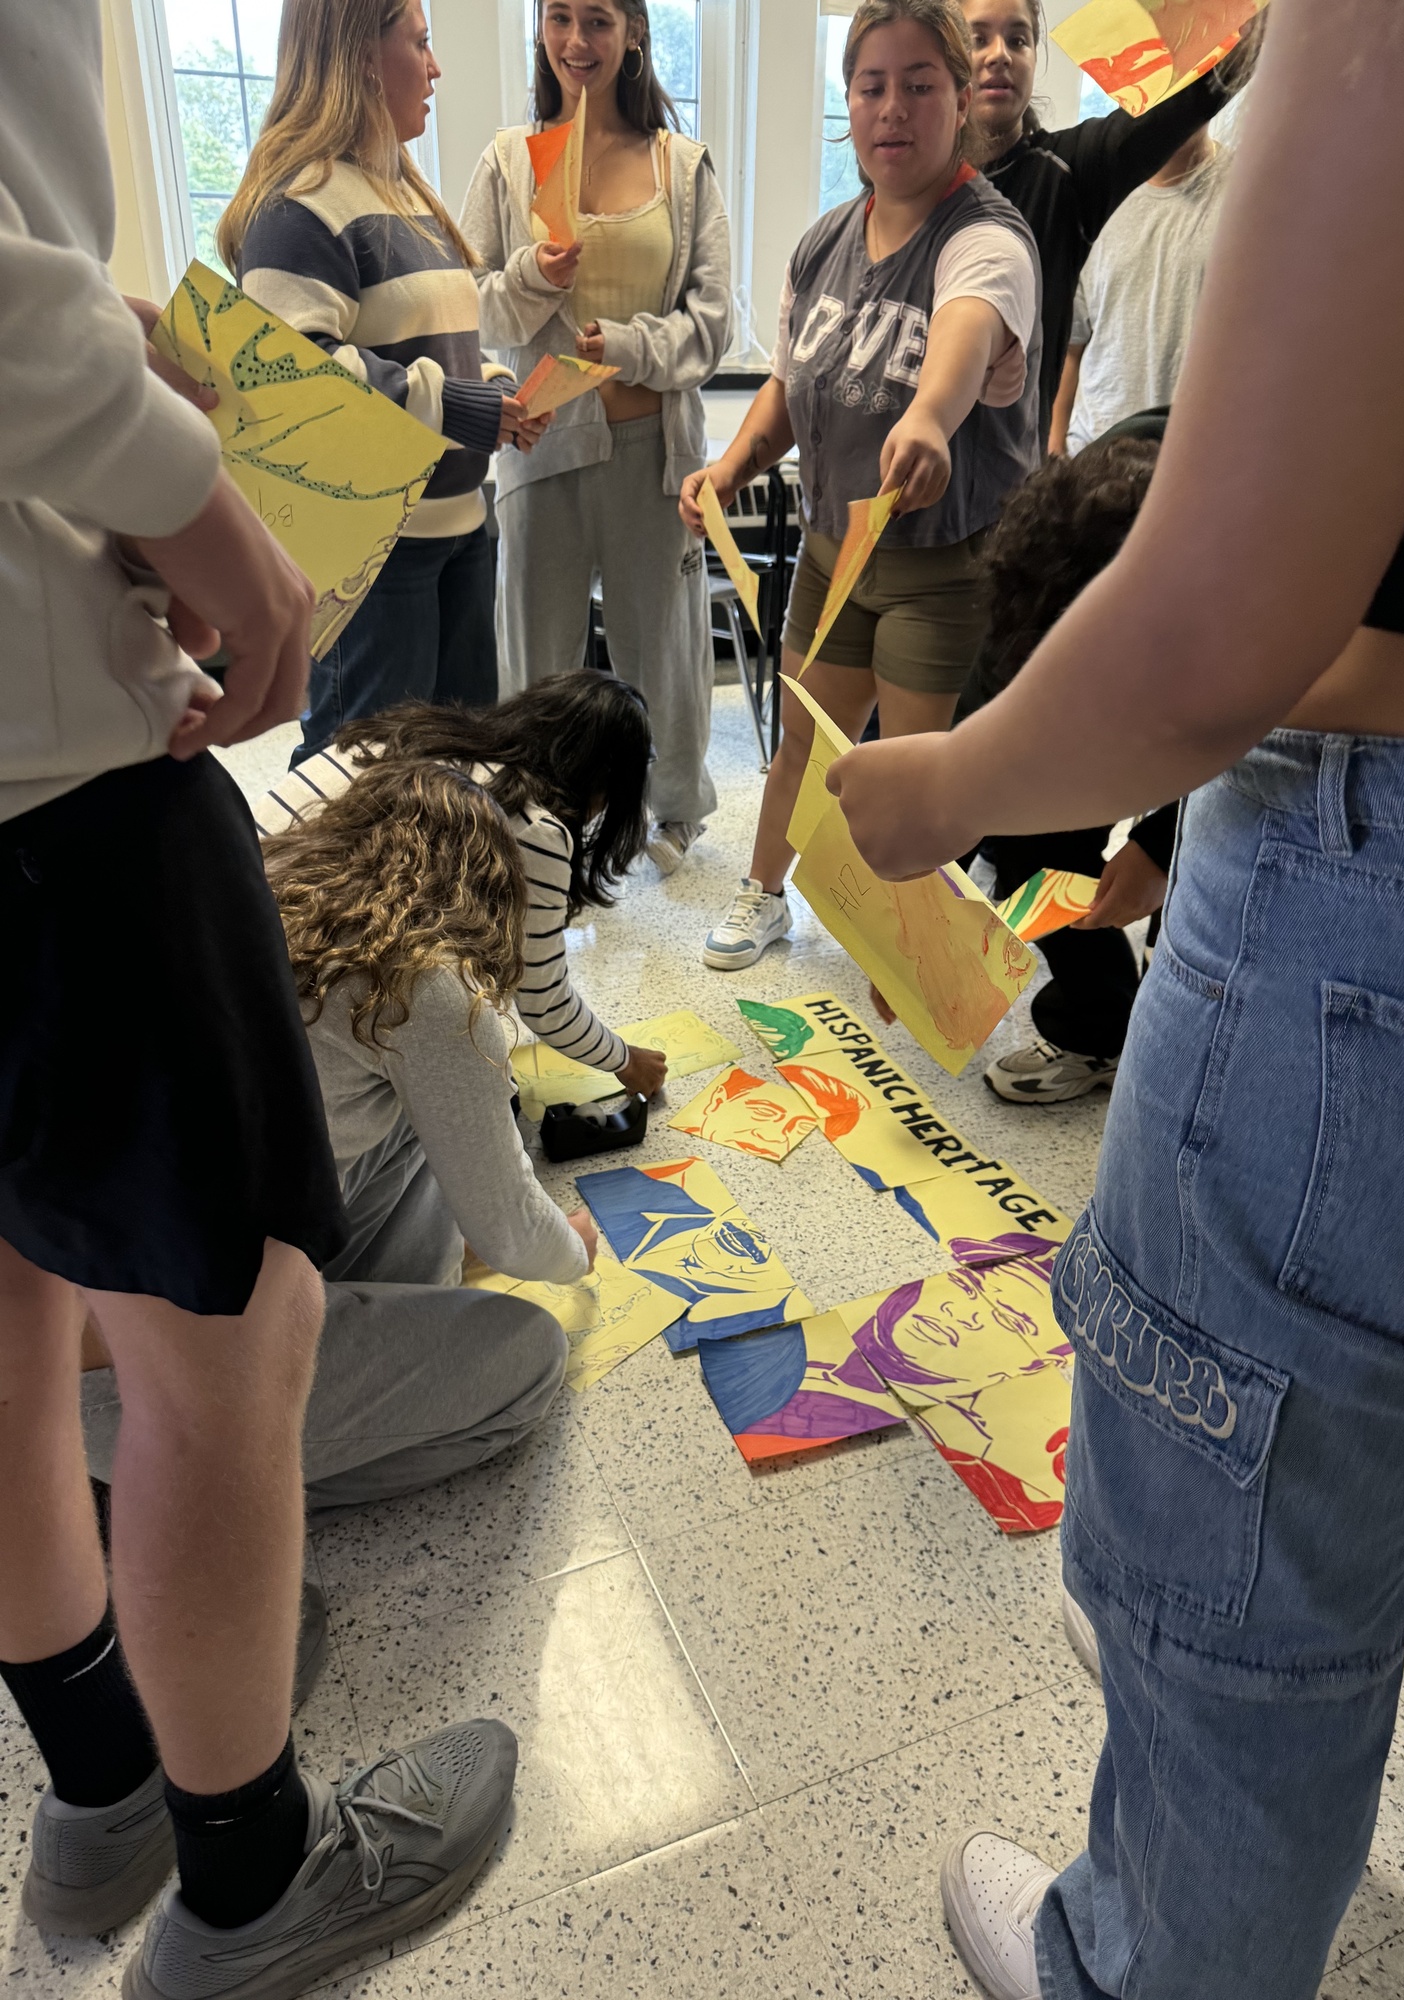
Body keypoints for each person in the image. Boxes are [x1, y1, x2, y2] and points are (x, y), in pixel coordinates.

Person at [826, 0, 1404, 1991]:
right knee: (1398, 1425)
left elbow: (1216, 626)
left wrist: (938, 788)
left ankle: (1157, 1938)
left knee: (1237, 1567)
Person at [0, 3, 517, 1993]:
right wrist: (187, 488)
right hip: (46, 749)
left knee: (20, 1294)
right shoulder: (326, 200)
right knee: (233, 1330)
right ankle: (247, 1875)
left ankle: (106, 1780)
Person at [82, 758, 598, 1520]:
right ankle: (188, 1502)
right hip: (148, 1387)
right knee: (529, 1359)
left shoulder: (263, 903)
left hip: (87, 1318)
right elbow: (518, 1236)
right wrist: (574, 1247)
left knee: (420, 1132)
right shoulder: (429, 983)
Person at [688, 0, 1041, 972]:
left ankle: (914, 951)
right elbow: (789, 381)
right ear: (848, 101)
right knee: (802, 733)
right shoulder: (825, 242)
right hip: (833, 553)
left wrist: (928, 419)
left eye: (919, 85)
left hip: (939, 560)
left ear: (961, 99)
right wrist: (731, 466)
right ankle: (764, 894)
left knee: (912, 770)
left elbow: (965, 337)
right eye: (872, 86)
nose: (893, 109)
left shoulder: (988, 238)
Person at [222, 0, 549, 765]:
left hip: (464, 526)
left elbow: (447, 340)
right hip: (374, 555)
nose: (435, 68)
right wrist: (464, 407)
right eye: (422, 43)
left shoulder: (408, 198)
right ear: (360, 55)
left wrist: (498, 389)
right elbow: (295, 383)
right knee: (362, 792)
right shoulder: (295, 208)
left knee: (454, 776)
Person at [460, 0, 732, 875]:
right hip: (541, 447)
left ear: (634, 32)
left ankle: (676, 812)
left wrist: (629, 349)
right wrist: (533, 279)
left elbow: (716, 322)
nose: (579, 41)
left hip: (656, 454)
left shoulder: (682, 167)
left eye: (601, 20)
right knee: (538, 658)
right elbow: (471, 308)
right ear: (541, 28)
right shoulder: (509, 162)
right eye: (562, 18)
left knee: (669, 648)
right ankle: (532, 825)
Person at [251, 673, 669, 1097]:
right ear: (604, 781)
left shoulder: (401, 732)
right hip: (290, 1005)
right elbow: (543, 1000)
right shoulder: (531, 827)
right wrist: (625, 1060)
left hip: (230, 921)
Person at [958, 438, 1170, 1104]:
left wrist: (1161, 846)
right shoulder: (1037, 574)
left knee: (1212, 878)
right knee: (1033, 845)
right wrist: (926, 927)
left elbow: (1253, 761)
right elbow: (973, 756)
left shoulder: (1237, 588)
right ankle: (1097, 1030)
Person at [963, 0, 1258, 448]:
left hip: (1011, 492)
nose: (999, 54)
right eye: (977, 38)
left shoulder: (1066, 174)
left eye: (1018, 39)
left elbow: (1194, 94)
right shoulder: (916, 189)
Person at [1053, 124, 1232, 456]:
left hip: (1194, 460)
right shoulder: (1098, 193)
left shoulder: (1246, 191)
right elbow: (1071, 348)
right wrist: (1054, 450)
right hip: (1093, 459)